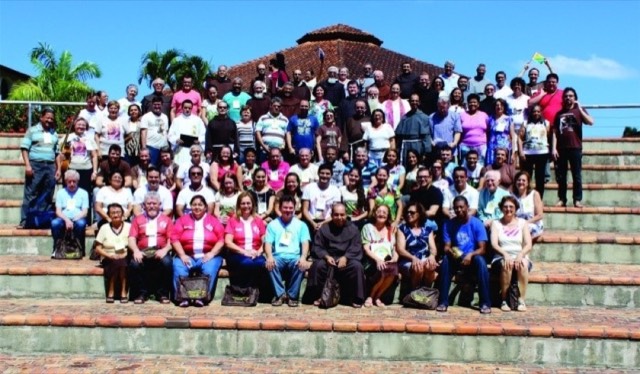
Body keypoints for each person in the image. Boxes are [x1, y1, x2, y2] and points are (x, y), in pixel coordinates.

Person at [438, 196, 491, 314]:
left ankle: (485, 303)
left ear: (467, 207)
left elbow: (482, 249)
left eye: (461, 207)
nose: (459, 210)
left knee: (481, 262)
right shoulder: (448, 224)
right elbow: (446, 246)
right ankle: (443, 302)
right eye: (456, 208)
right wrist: (454, 253)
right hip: (457, 256)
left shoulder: (477, 223)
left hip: (473, 257)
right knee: (446, 260)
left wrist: (470, 255)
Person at [306, 203, 365, 308]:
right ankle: (319, 296)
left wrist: (346, 257)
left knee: (357, 266)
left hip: (347, 260)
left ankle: (354, 298)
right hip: (328, 260)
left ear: (346, 215)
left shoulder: (353, 229)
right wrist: (326, 256)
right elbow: (318, 247)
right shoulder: (324, 229)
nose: (339, 218)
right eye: (336, 215)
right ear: (332, 215)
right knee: (317, 266)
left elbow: (356, 246)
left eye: (342, 215)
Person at [171, 195, 225, 307]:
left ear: (205, 207)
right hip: (187, 255)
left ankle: (201, 298)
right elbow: (174, 238)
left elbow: (221, 240)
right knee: (178, 267)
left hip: (208, 256)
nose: (197, 207)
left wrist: (212, 253)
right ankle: (182, 298)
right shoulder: (182, 220)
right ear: (190, 206)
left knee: (209, 269)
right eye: (194, 205)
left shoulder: (213, 221)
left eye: (200, 205)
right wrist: (182, 255)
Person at [264, 195, 312, 307]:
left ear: (294, 209)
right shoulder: (272, 225)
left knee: (301, 265)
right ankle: (280, 295)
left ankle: (292, 296)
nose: (288, 210)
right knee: (270, 264)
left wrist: (303, 257)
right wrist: (269, 257)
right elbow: (268, 243)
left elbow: (305, 243)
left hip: (294, 256)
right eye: (285, 207)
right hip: (278, 256)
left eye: (291, 208)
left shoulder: (301, 225)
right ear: (280, 208)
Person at [128, 191, 174, 304]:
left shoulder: (167, 220)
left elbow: (172, 240)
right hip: (142, 251)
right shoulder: (137, 219)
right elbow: (131, 239)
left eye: (154, 203)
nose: (152, 206)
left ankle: (162, 293)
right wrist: (136, 251)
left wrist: (165, 250)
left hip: (160, 250)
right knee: (134, 264)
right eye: (148, 203)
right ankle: (141, 293)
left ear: (160, 205)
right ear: (144, 205)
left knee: (167, 262)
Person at [551, 87, 594, 208]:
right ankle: (562, 199)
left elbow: (591, 122)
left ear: (575, 98)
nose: (568, 98)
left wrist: (580, 108)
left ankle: (577, 200)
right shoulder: (559, 114)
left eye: (571, 96)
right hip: (561, 149)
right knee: (561, 176)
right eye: (566, 96)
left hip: (575, 147)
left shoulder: (579, 111)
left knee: (577, 175)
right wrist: (554, 148)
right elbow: (555, 132)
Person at [490, 196, 532, 312]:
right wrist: (505, 254)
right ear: (501, 208)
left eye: (511, 207)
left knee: (523, 263)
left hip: (519, 256)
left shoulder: (523, 223)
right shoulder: (496, 223)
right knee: (506, 263)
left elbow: (528, 244)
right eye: (505, 207)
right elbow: (494, 244)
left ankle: (521, 300)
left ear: (516, 209)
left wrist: (521, 254)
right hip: (501, 257)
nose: (508, 209)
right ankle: (504, 299)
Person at [224, 192, 267, 289]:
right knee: (247, 263)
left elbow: (265, 240)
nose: (246, 206)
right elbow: (228, 242)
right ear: (239, 205)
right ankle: (244, 291)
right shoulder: (233, 220)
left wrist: (258, 252)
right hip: (237, 254)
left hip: (255, 253)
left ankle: (257, 292)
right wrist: (245, 252)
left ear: (252, 204)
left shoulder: (258, 220)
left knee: (261, 263)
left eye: (248, 203)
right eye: (243, 203)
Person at [58, 117, 98, 219]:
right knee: (69, 193)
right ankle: (67, 217)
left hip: (86, 169)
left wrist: (94, 171)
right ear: (74, 126)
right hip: (70, 168)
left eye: (83, 125)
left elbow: (94, 156)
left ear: (86, 127)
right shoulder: (67, 137)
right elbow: (60, 155)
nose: (81, 126)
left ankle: (86, 219)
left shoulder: (89, 138)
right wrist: (59, 168)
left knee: (85, 194)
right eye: (79, 124)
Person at [361, 204, 399, 307]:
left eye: (384, 212)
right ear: (374, 213)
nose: (381, 214)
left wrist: (395, 257)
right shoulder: (367, 227)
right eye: (379, 211)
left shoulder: (391, 229)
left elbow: (394, 248)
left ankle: (378, 296)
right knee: (383, 268)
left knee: (393, 269)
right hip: (370, 261)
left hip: (386, 259)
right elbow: (366, 248)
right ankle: (371, 296)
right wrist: (377, 260)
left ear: (388, 216)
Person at [396, 202, 439, 289]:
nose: (409, 214)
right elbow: (400, 249)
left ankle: (426, 291)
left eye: (412, 212)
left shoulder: (427, 229)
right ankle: (415, 292)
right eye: (407, 212)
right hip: (408, 260)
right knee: (417, 267)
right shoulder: (402, 229)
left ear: (419, 214)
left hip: (424, 258)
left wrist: (432, 256)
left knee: (430, 266)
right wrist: (413, 258)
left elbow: (433, 248)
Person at [94, 203, 131, 303]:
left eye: (118, 212)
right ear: (109, 215)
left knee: (122, 261)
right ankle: (113, 290)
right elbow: (98, 248)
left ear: (123, 214)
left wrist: (125, 254)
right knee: (116, 262)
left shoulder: (129, 227)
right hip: (108, 256)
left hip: (126, 255)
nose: (115, 215)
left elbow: (133, 244)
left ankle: (119, 291)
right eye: (113, 213)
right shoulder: (104, 228)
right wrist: (109, 255)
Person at [51, 170, 89, 257]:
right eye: (69, 182)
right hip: (64, 217)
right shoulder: (60, 193)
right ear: (66, 182)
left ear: (77, 182)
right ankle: (57, 248)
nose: (72, 184)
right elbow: (58, 211)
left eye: (74, 181)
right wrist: (67, 220)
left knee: (80, 224)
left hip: (78, 217)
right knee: (55, 223)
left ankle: (79, 248)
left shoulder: (84, 193)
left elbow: (85, 211)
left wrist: (75, 219)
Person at [518, 105, 550, 198]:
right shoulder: (525, 123)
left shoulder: (546, 123)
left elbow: (548, 137)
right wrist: (521, 151)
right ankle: (525, 197)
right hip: (528, 153)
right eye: (534, 111)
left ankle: (539, 199)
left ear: (541, 112)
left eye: (538, 111)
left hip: (542, 153)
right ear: (531, 113)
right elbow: (520, 138)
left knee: (540, 178)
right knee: (526, 177)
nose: (536, 113)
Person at [302, 163, 341, 232]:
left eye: (327, 174)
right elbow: (305, 209)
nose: (324, 176)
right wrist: (313, 223)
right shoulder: (309, 188)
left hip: (328, 222)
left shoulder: (336, 190)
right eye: (322, 173)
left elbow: (335, 211)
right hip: (311, 221)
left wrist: (323, 223)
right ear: (318, 174)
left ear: (331, 175)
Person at [395, 94, 432, 165]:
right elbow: (399, 136)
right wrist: (398, 150)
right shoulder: (405, 117)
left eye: (416, 101)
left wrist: (425, 151)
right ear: (409, 102)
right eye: (412, 101)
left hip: (418, 145)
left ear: (419, 102)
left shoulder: (424, 117)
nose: (414, 103)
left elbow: (426, 136)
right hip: (405, 146)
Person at [167, 100, 206, 165]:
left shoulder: (197, 120)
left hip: (194, 150)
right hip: (180, 150)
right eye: (185, 108)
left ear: (192, 108)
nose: (187, 109)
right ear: (182, 108)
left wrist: (199, 140)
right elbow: (170, 135)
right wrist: (176, 140)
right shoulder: (176, 120)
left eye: (189, 108)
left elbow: (203, 134)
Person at [512, 171, 544, 243]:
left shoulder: (534, 194)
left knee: (524, 230)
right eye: (519, 180)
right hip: (517, 224)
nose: (521, 182)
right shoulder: (512, 196)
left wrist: (525, 223)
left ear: (527, 183)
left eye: (523, 180)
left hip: (533, 223)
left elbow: (540, 215)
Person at [255, 97, 289, 162]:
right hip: (265, 150)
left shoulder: (285, 119)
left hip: (279, 151)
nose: (276, 108)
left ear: (281, 108)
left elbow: (287, 134)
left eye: (279, 106)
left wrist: (284, 144)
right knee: (264, 170)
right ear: (270, 106)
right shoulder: (263, 118)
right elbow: (257, 132)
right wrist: (263, 146)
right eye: (274, 106)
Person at [459, 93, 489, 164]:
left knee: (480, 167)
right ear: (468, 104)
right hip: (465, 146)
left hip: (481, 146)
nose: (472, 104)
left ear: (478, 104)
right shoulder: (462, 115)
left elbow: (488, 130)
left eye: (475, 102)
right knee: (465, 168)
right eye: (470, 102)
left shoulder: (484, 115)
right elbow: (458, 131)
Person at [140, 96, 170, 166]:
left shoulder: (165, 117)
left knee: (162, 169)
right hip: (151, 147)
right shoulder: (146, 116)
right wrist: (144, 148)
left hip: (163, 148)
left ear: (162, 105)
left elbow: (166, 132)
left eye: (159, 104)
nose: (157, 106)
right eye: (155, 104)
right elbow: (143, 132)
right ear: (152, 105)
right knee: (151, 167)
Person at [486, 99, 515, 166]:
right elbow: (487, 134)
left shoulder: (509, 119)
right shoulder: (490, 119)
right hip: (492, 148)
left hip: (505, 148)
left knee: (504, 169)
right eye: (497, 105)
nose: (499, 107)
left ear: (504, 107)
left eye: (501, 105)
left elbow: (513, 137)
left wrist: (513, 152)